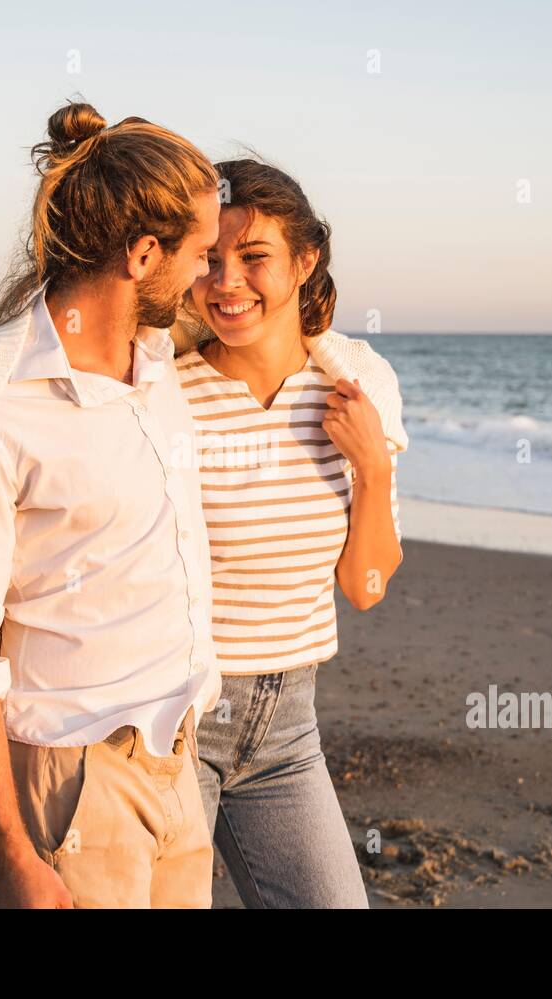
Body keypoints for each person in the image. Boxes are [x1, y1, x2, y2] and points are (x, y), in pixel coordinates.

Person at [0, 101, 222, 908]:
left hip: (177, 764)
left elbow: (269, 323)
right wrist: (11, 856)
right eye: (201, 255)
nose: (209, 279)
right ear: (143, 254)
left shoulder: (154, 359)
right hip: (77, 786)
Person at [172, 157, 408, 907]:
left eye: (253, 257)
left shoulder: (354, 393)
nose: (227, 281)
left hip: (288, 728)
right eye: (209, 259)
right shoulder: (164, 394)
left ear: (305, 260)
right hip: (174, 725)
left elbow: (365, 588)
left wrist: (373, 468)